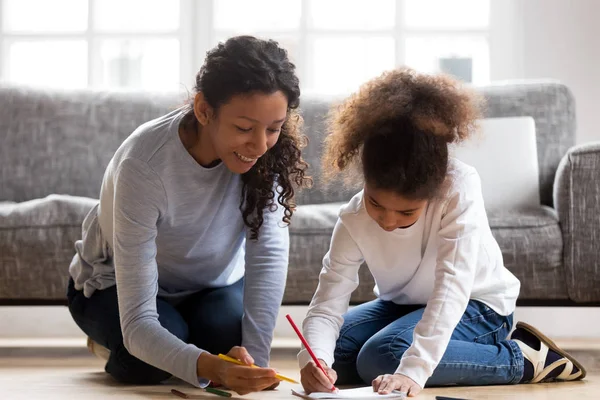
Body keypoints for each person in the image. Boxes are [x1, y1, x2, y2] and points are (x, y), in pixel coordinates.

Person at [299, 68, 585, 397]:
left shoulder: (458, 190)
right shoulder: (354, 215)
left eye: (406, 212)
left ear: (433, 191)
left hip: (478, 305)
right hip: (401, 305)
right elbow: (326, 306)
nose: (388, 221)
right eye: (377, 204)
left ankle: (523, 358)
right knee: (334, 353)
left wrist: (413, 371)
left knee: (384, 357)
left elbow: (452, 285)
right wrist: (314, 359)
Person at [67, 35, 311, 395]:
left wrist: (254, 366)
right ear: (203, 110)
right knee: (147, 357)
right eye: (244, 128)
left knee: (228, 343)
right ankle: (110, 343)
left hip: (209, 286)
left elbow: (267, 259)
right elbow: (138, 322)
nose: (259, 146)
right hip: (112, 287)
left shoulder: (266, 157)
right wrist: (208, 366)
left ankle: (184, 340)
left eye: (273, 129)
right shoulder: (143, 165)